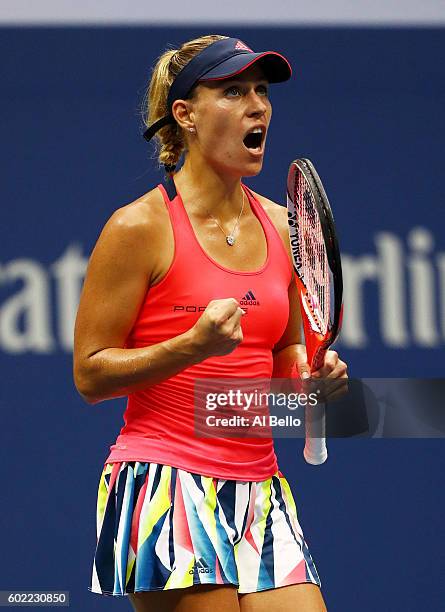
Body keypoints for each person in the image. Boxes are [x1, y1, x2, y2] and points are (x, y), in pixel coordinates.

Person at [74, 34, 348, 612]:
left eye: (261, 91)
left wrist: (309, 383)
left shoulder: (283, 225)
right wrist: (190, 346)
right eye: (232, 91)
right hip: (164, 481)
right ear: (186, 115)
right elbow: (91, 375)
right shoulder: (138, 228)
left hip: (261, 488)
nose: (257, 105)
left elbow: (284, 356)